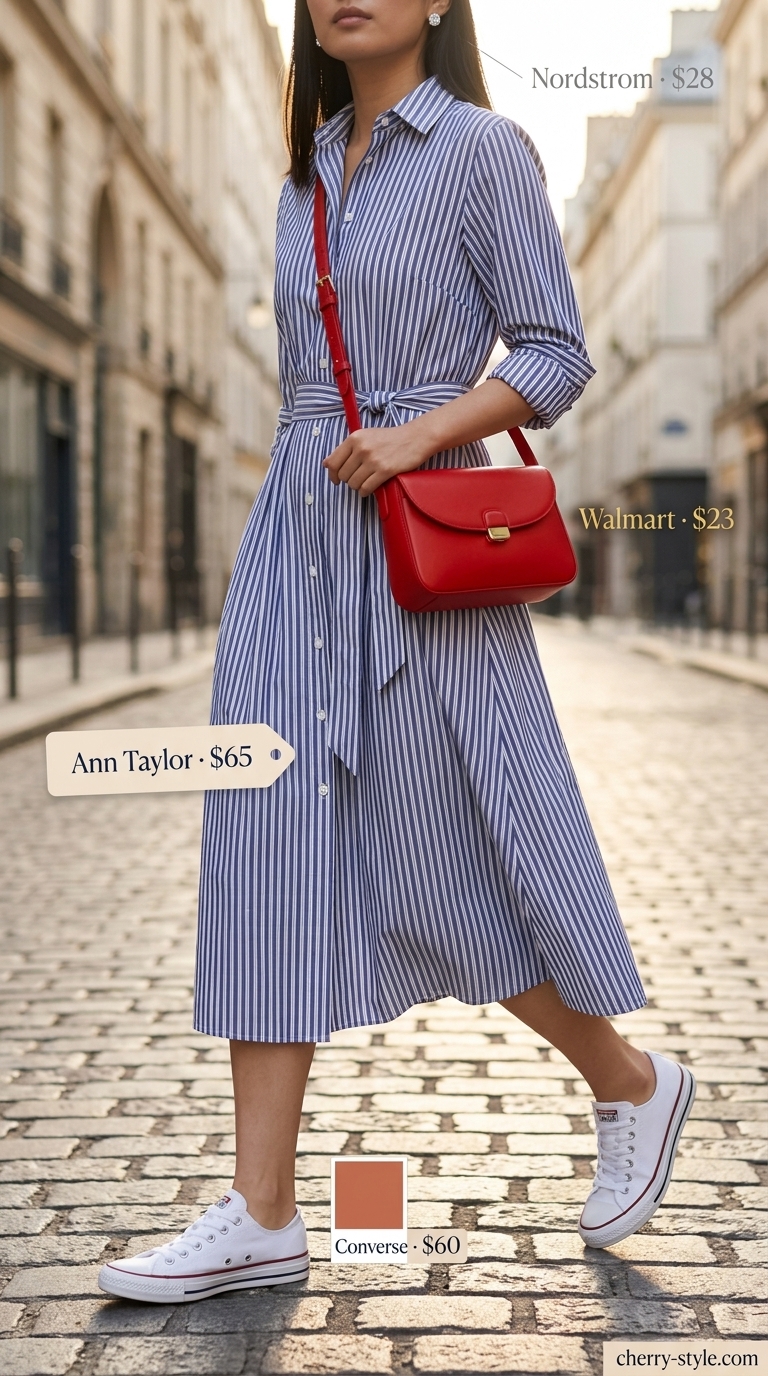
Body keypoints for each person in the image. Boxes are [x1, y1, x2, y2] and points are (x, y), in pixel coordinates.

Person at [99, 0, 695, 1304]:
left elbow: (556, 351)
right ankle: (261, 1211)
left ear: (438, 5)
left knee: (443, 855)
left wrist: (421, 435)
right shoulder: (304, 174)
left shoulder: (481, 149)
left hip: (423, 544)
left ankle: (629, 1080)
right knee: (261, 843)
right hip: (293, 539)